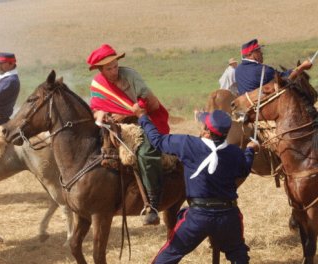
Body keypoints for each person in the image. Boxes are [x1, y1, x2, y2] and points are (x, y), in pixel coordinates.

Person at [132, 105, 259, 264]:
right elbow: (245, 169)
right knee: (239, 256)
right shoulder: (235, 153)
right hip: (229, 216)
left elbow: (157, 141)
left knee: (168, 256)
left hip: (198, 217)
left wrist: (143, 116)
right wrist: (250, 150)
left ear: (207, 130)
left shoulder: (188, 144)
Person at [87, 44, 170, 225]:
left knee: (146, 153)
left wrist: (128, 114)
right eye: (109, 68)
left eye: (115, 66)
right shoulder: (97, 84)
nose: (114, 70)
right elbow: (96, 107)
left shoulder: (131, 75)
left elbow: (148, 101)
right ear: (101, 69)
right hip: (113, 125)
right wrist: (101, 115)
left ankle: (153, 203)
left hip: (141, 119)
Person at [235, 38, 313, 95]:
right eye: (258, 51)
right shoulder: (262, 70)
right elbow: (285, 77)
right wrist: (302, 67)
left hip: (247, 109)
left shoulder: (237, 70)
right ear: (249, 54)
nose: (261, 53)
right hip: (262, 109)